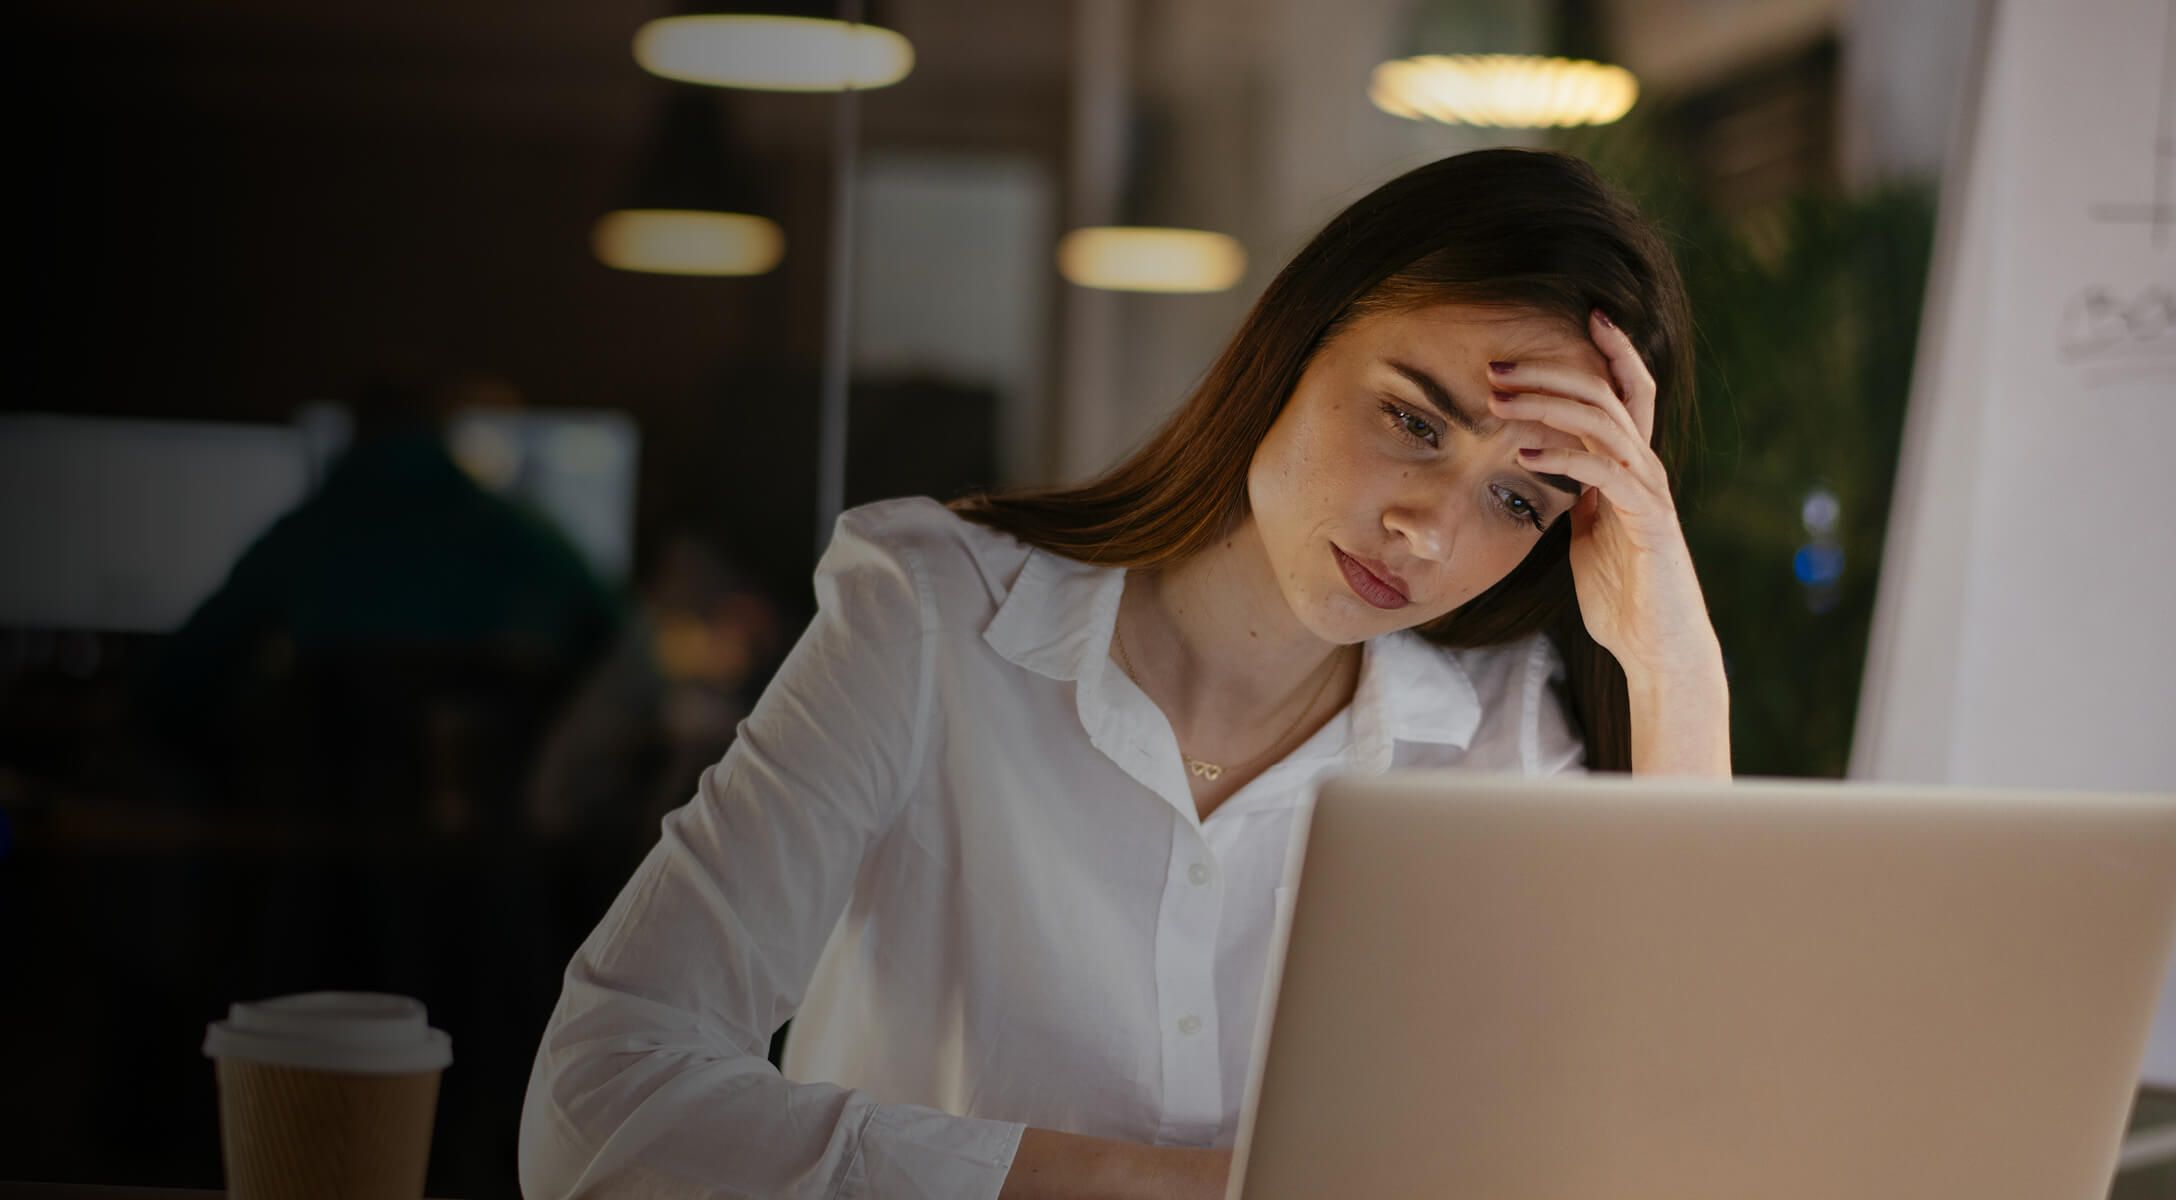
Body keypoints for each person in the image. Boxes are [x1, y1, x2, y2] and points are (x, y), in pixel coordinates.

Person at [519, 147, 1731, 1199]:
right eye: (1414, 420)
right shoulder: (932, 614)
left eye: (1517, 498)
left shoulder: (1500, 732)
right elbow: (598, 1107)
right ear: (1296, 338)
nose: (1429, 530)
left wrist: (1674, 661)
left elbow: (1681, 1140)